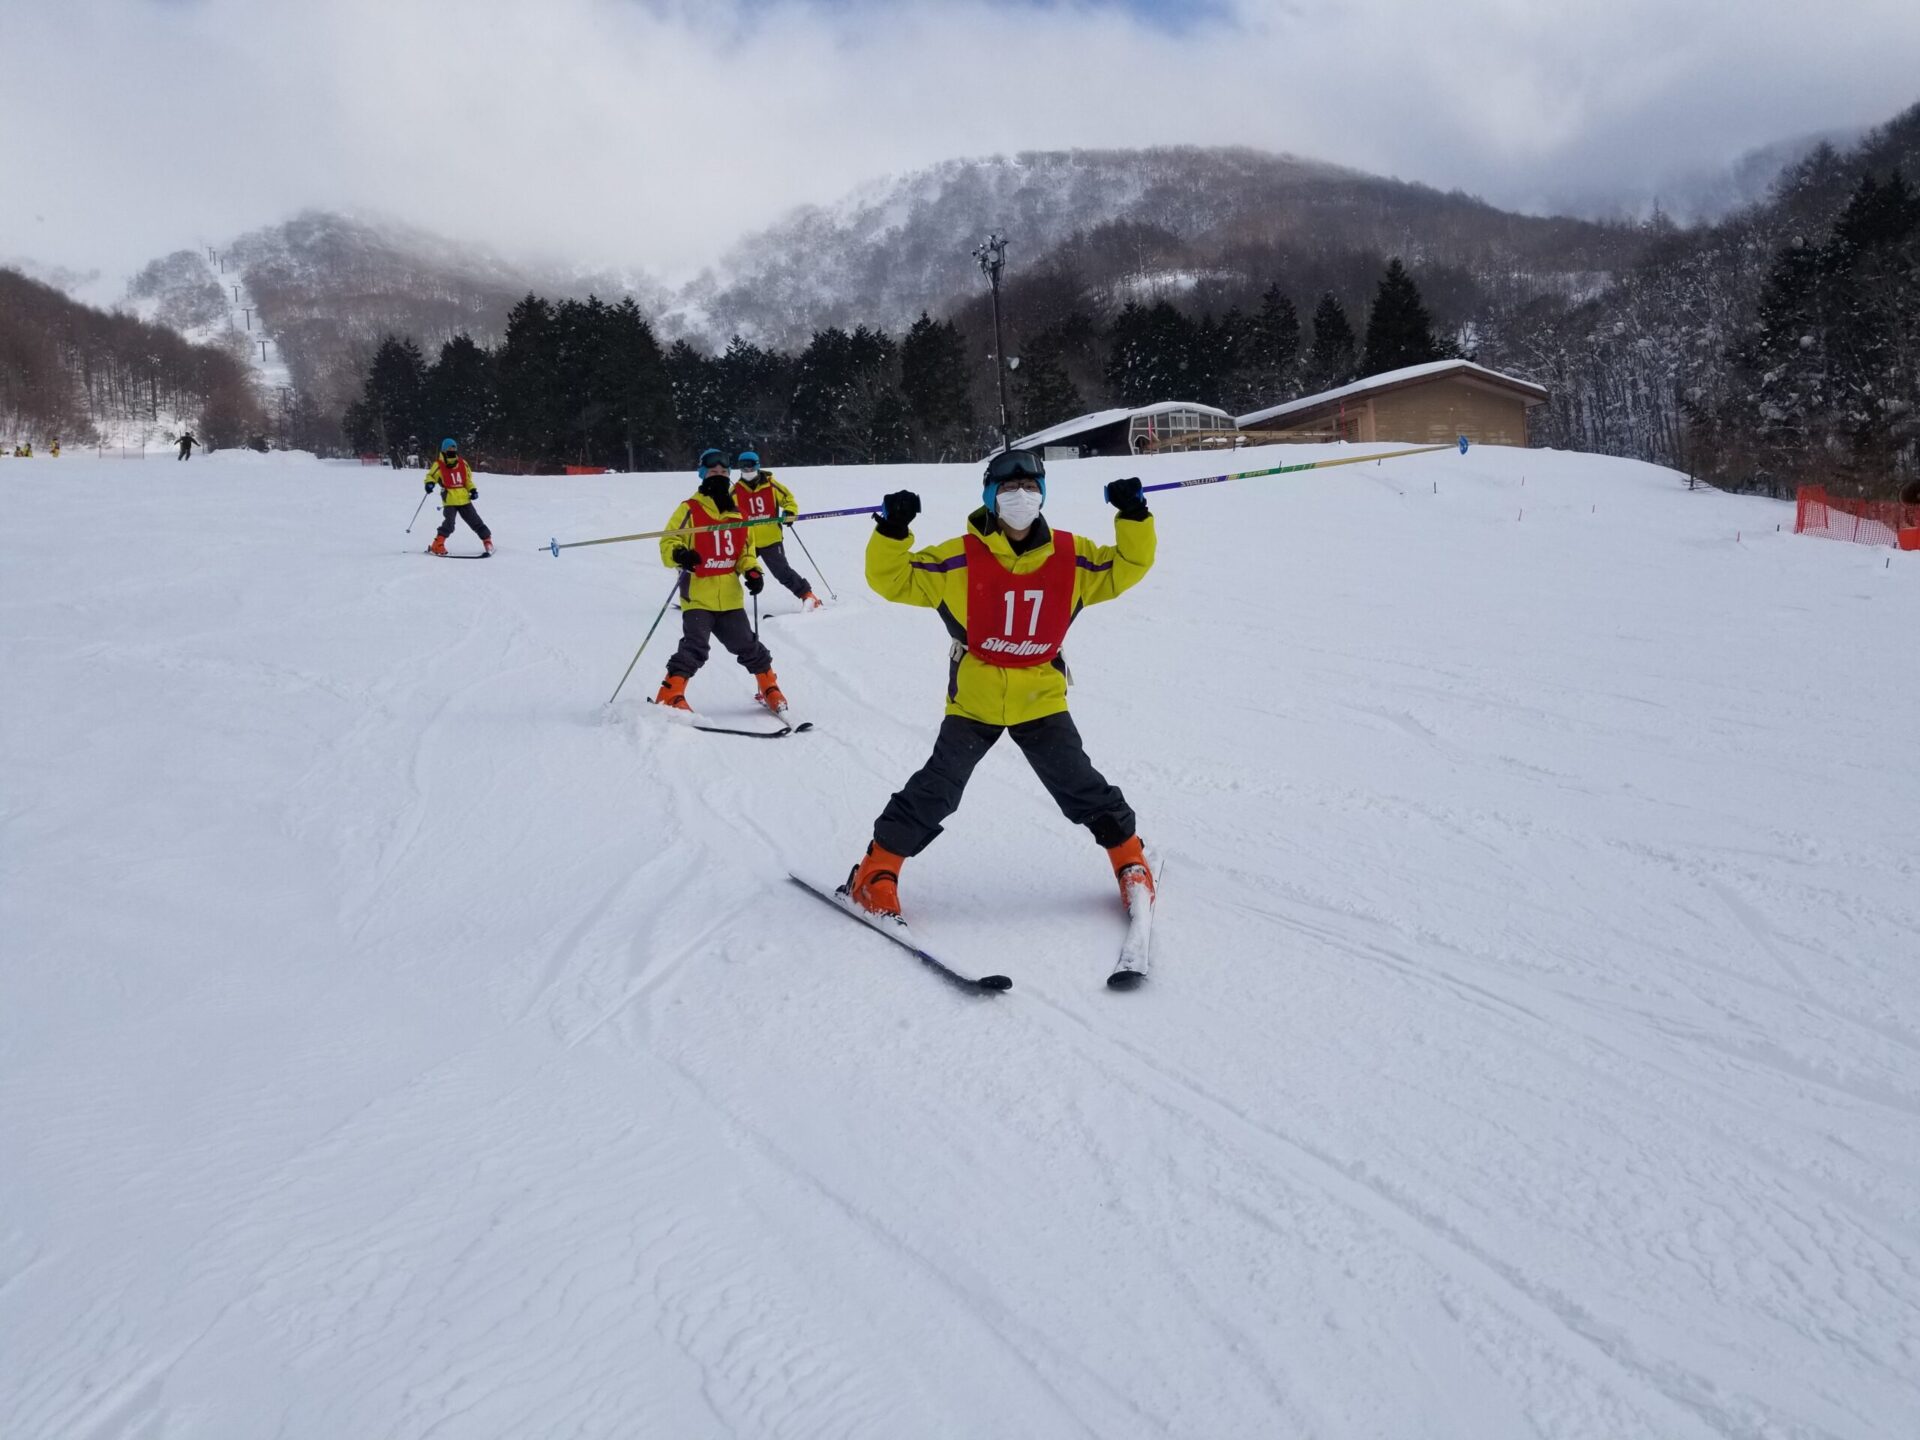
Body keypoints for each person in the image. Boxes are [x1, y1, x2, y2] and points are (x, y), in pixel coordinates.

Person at [841, 448, 1156, 922]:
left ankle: (1129, 859)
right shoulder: (958, 559)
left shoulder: (1072, 556)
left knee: (1079, 783)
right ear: (990, 495)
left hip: (1040, 696)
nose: (1020, 496)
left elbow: (1128, 565)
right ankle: (876, 870)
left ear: (1042, 495)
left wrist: (1133, 514)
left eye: (1030, 487)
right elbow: (891, 578)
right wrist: (892, 529)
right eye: (1008, 488)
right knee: (939, 787)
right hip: (975, 699)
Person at [653, 448, 790, 715]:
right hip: (698, 595)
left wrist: (752, 571)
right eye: (713, 472)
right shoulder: (689, 509)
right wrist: (680, 554)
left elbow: (745, 552)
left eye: (724, 472)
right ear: (702, 474)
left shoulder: (738, 514)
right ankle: (669, 693)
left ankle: (768, 686)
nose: (719, 476)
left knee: (747, 644)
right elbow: (669, 541)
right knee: (695, 647)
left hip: (729, 596)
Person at [731, 450, 822, 610]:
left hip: (770, 539)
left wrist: (790, 512)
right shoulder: (734, 491)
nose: (747, 470)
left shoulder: (771, 485)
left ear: (757, 466)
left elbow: (788, 499)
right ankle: (715, 602)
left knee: (782, 572)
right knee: (730, 571)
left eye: (750, 466)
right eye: (743, 467)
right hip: (747, 541)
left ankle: (807, 596)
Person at [423, 437, 492, 555]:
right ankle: (437, 544)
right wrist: (429, 484)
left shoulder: (462, 463)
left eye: (454, 448)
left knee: (475, 520)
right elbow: (431, 476)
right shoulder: (439, 464)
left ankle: (487, 540)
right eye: (449, 448)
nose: (452, 450)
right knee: (449, 524)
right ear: (444, 450)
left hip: (464, 498)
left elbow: (467, 480)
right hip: (449, 498)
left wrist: (473, 490)